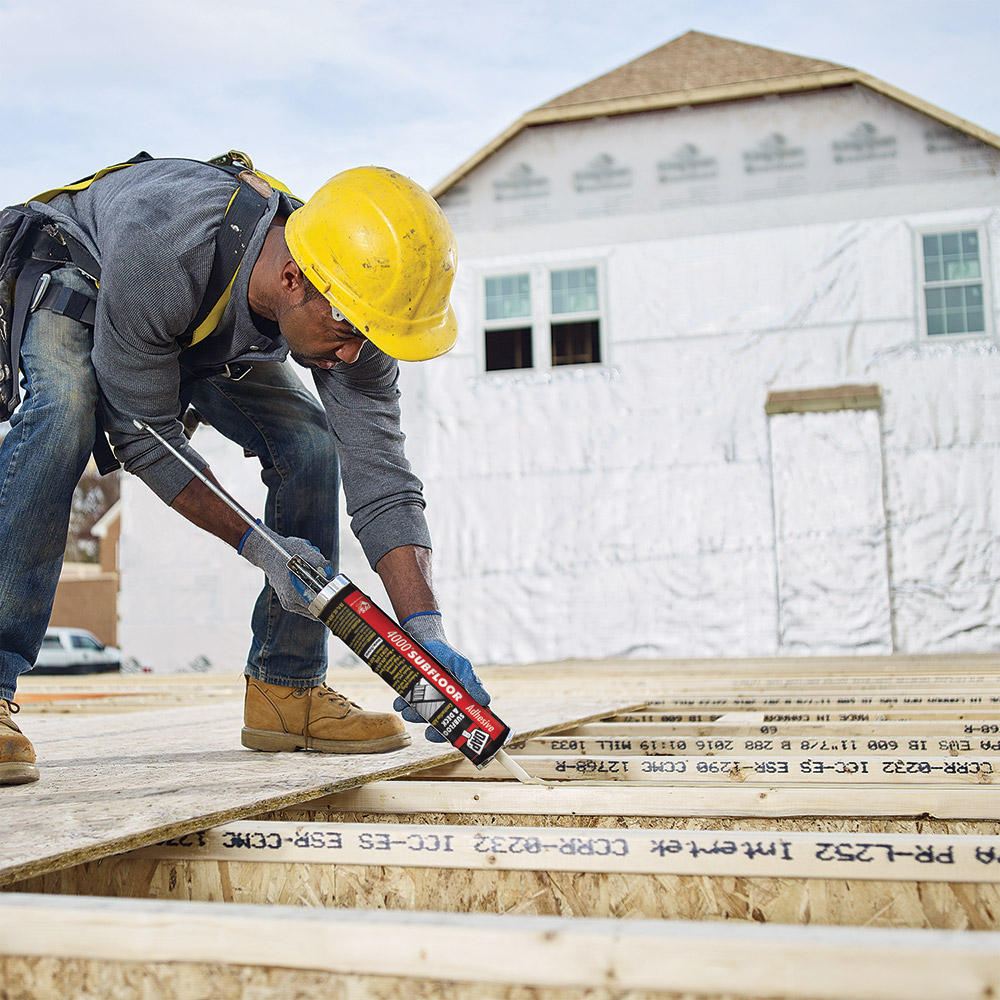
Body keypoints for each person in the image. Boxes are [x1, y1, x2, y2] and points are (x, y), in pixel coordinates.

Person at [0, 155, 488, 786]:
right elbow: (145, 437)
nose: (353, 354)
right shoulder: (167, 249)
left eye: (369, 338)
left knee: (310, 443)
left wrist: (425, 635)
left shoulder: (350, 306)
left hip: (190, 324)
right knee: (65, 412)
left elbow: (383, 476)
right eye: (348, 332)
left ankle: (287, 689)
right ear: (292, 280)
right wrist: (263, 549)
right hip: (81, 266)